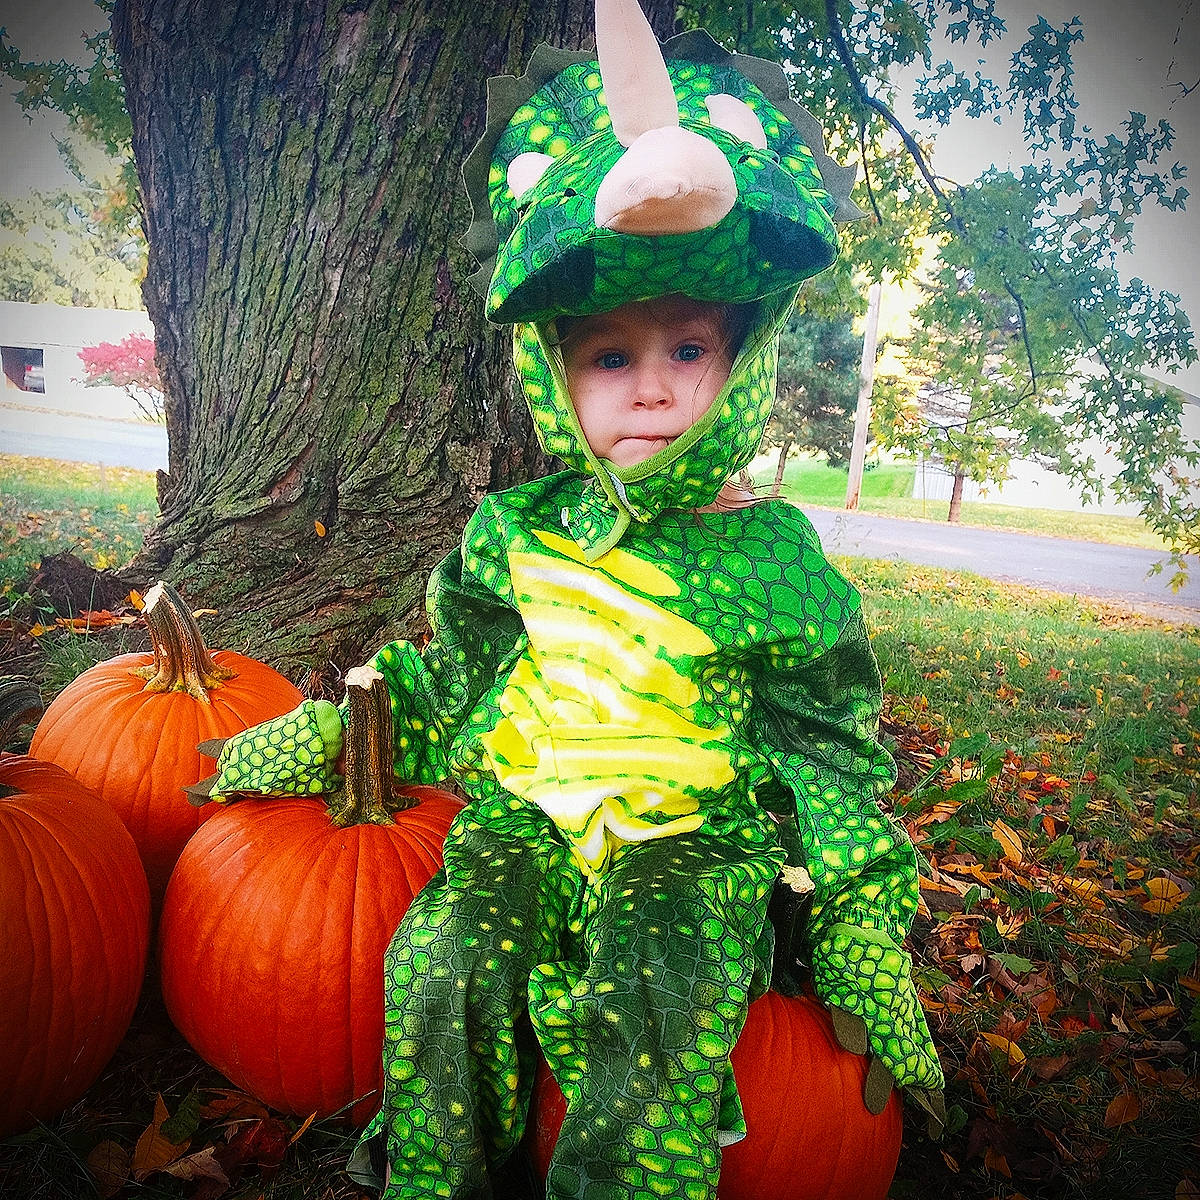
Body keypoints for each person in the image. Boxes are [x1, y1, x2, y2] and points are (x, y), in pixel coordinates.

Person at [207, 2, 944, 1196]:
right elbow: (452, 676)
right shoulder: (517, 530)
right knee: (439, 962)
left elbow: (828, 745)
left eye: (688, 351)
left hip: (689, 839)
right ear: (555, 374)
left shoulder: (774, 560)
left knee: (662, 1006)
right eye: (611, 357)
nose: (651, 390)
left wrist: (859, 912)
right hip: (524, 818)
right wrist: (332, 733)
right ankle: (436, 1179)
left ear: (741, 360)